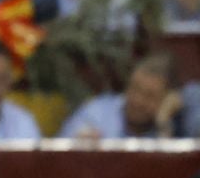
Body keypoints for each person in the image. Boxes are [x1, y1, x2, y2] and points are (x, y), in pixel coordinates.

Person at [59, 53, 188, 140]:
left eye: (149, 96)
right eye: (135, 88)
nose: (137, 100)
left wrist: (163, 122)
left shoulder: (176, 124)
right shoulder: (97, 114)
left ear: (167, 99)